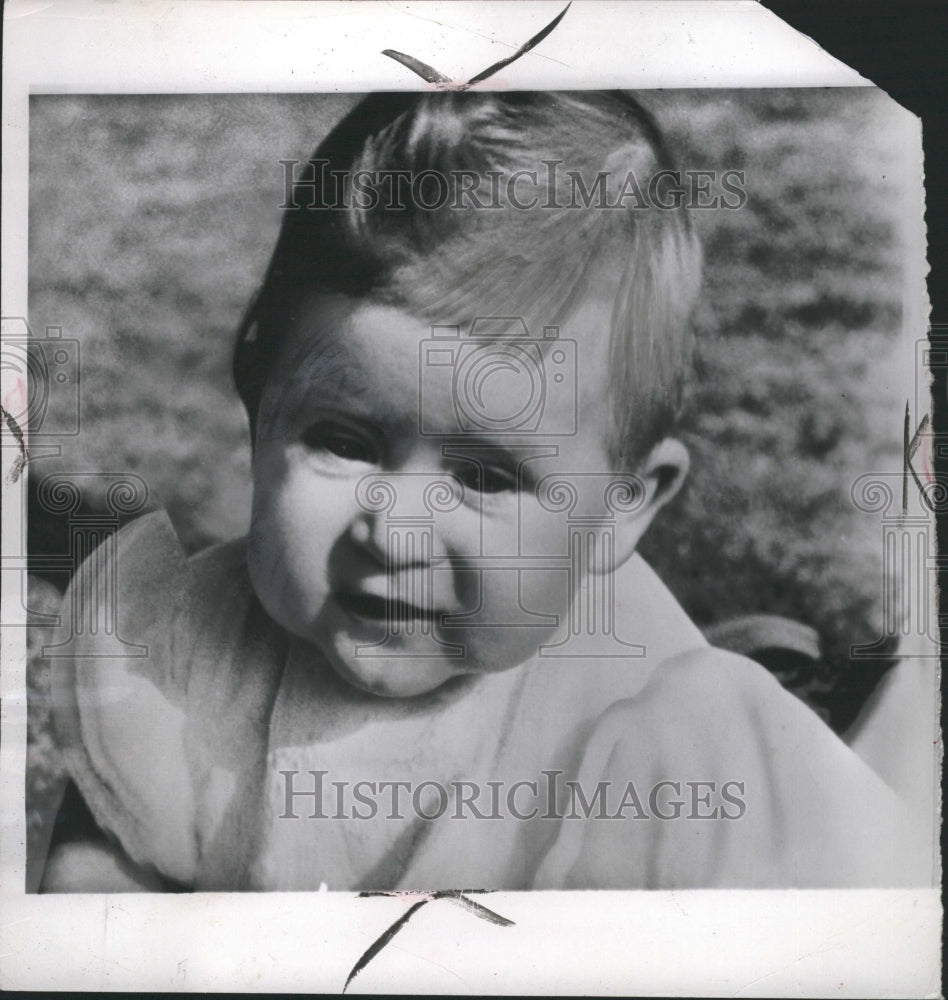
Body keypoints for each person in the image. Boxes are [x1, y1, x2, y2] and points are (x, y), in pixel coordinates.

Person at [42, 91, 923, 892]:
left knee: (765, 767)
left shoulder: (651, 748)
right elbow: (105, 878)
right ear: (259, 397)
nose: (397, 532)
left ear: (621, 507)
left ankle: (800, 696)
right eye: (346, 443)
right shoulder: (184, 647)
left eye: (486, 476)